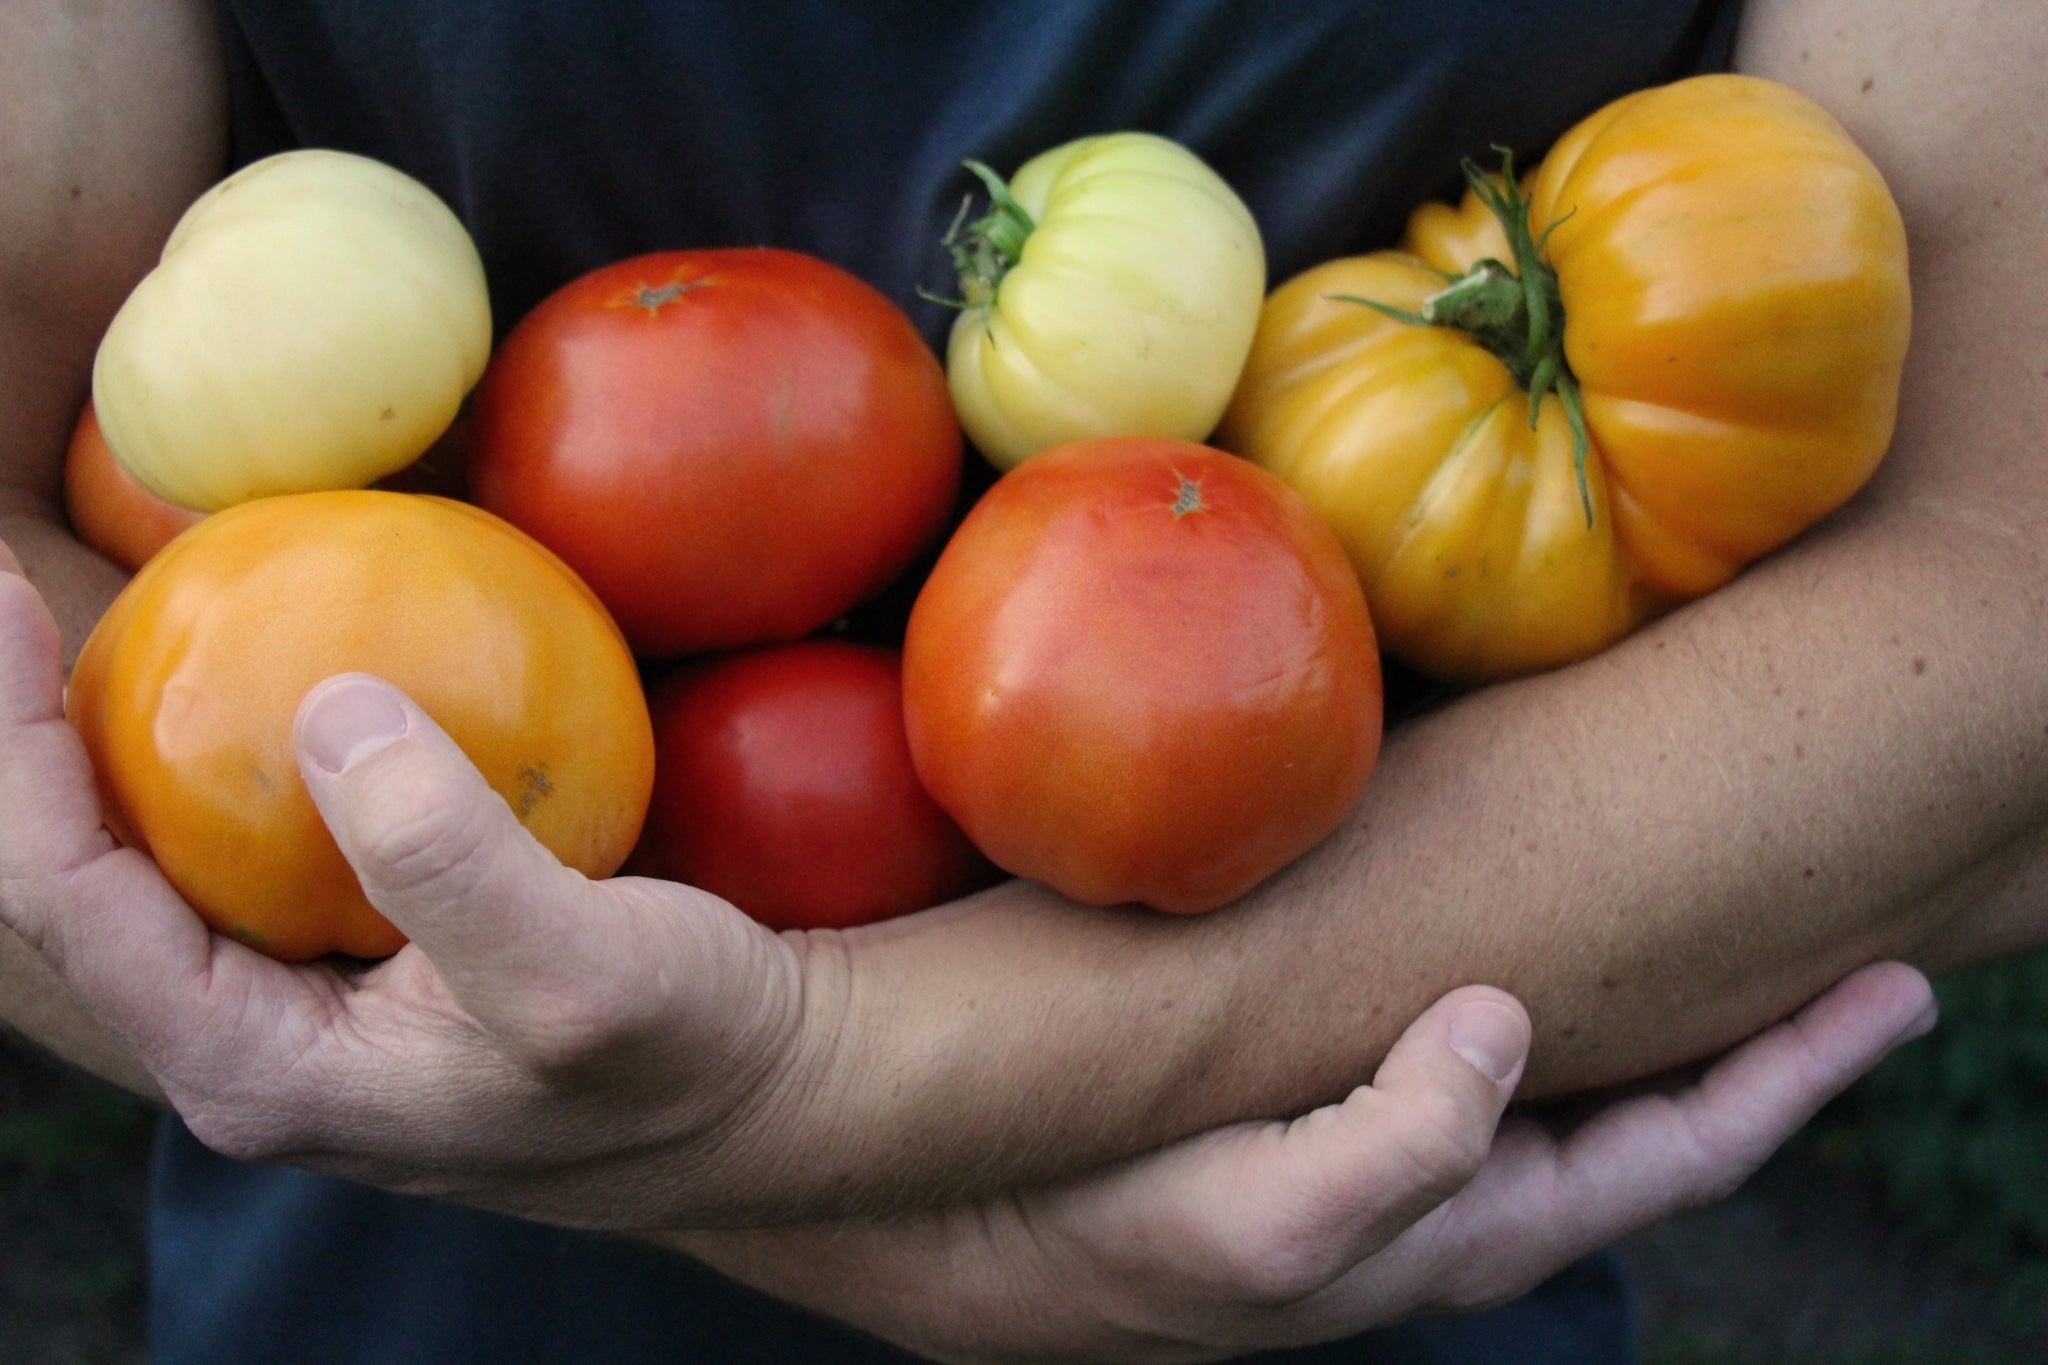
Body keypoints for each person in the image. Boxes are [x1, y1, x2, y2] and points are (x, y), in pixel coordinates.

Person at [1, 0, 2038, 1359]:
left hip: (1329, 1199)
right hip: (435, 1222)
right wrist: (859, 1189)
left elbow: (1994, 611)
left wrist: (828, 1097)